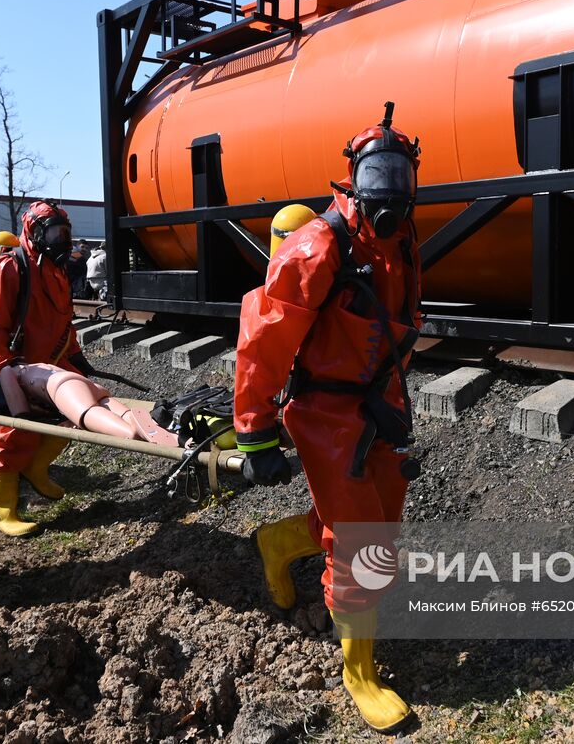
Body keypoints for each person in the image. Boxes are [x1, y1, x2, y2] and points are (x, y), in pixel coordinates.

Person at [235, 103, 422, 734]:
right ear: (352, 178)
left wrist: (393, 403)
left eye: (400, 175)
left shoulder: (399, 241)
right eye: (379, 176)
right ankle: (359, 672)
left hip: (376, 402)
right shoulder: (316, 247)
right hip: (323, 409)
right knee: (362, 535)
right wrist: (254, 429)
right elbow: (265, 339)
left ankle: (278, 544)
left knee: (380, 519)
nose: (389, 190)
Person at [0, 199, 99, 537]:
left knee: (78, 414)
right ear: (36, 232)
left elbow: (63, 323)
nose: (64, 240)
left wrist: (75, 356)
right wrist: (5, 371)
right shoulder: (10, 268)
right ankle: (4, 511)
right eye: (56, 233)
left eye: (66, 232)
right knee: (12, 434)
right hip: (15, 368)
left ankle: (36, 468)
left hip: (53, 366)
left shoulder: (55, 271)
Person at [0, 363, 172, 446]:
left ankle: (131, 430)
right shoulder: (37, 366)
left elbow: (20, 413)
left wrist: (20, 416)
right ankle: (153, 426)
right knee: (125, 415)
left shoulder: (8, 371)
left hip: (63, 389)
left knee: (123, 430)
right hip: (86, 385)